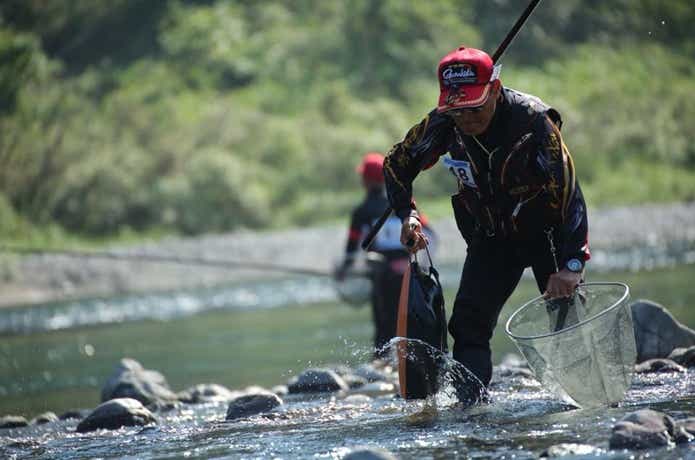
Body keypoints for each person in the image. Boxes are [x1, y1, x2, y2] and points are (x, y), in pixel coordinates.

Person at [382, 46, 590, 387]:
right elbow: (396, 165)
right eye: (457, 110)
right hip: (491, 238)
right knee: (467, 325)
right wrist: (408, 215)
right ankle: (472, 413)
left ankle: (586, 401)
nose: (466, 119)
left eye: (474, 108)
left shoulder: (535, 121)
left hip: (547, 235)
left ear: (494, 88)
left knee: (565, 319)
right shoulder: (444, 122)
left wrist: (572, 265)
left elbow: (571, 194)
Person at [335, 152, 436, 359]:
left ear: (365, 180)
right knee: (410, 318)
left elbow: (353, 248)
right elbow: (429, 234)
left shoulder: (361, 212)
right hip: (408, 271)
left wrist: (344, 271)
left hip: (381, 275)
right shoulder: (404, 204)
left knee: (383, 321)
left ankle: (381, 361)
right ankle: (413, 360)